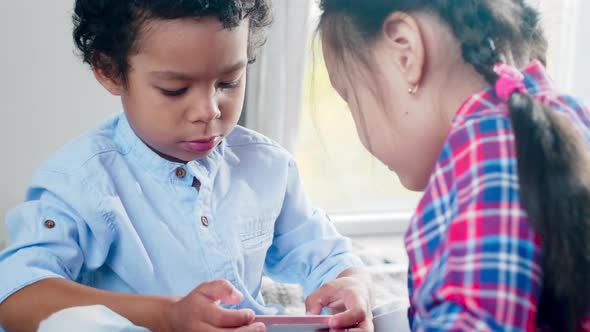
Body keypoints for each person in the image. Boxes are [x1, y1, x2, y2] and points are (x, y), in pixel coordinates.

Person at [0, 1, 374, 331]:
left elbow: (327, 255)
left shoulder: (267, 166)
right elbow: (16, 295)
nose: (209, 110)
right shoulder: (81, 183)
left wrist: (350, 284)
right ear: (109, 70)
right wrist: (167, 316)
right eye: (175, 90)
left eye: (229, 81)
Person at [317, 0, 590, 331]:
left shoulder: (489, 147)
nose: (359, 131)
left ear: (405, 52)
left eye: (349, 96)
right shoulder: (572, 118)